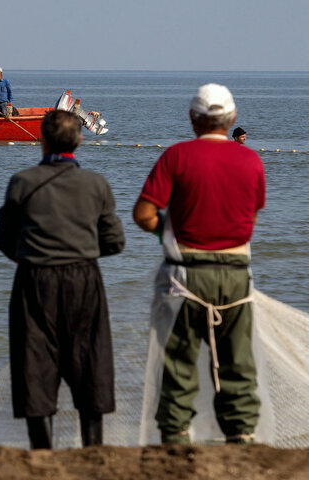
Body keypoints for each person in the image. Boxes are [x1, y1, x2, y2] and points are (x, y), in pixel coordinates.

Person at [133, 83, 265, 445]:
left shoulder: (176, 156)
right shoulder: (252, 160)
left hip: (185, 275)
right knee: (238, 364)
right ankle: (242, 440)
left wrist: (168, 232)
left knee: (178, 363)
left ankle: (175, 443)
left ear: (193, 118)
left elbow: (143, 214)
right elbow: (251, 212)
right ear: (232, 119)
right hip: (237, 275)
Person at [0, 110, 125, 449]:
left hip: (34, 277)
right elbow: (114, 242)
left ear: (43, 141)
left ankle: (42, 453)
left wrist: (34, 257)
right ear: (79, 141)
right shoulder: (96, 183)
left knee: (34, 361)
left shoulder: (22, 181)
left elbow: (4, 239)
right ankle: (92, 448)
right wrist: (78, 249)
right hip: (84, 278)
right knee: (90, 360)